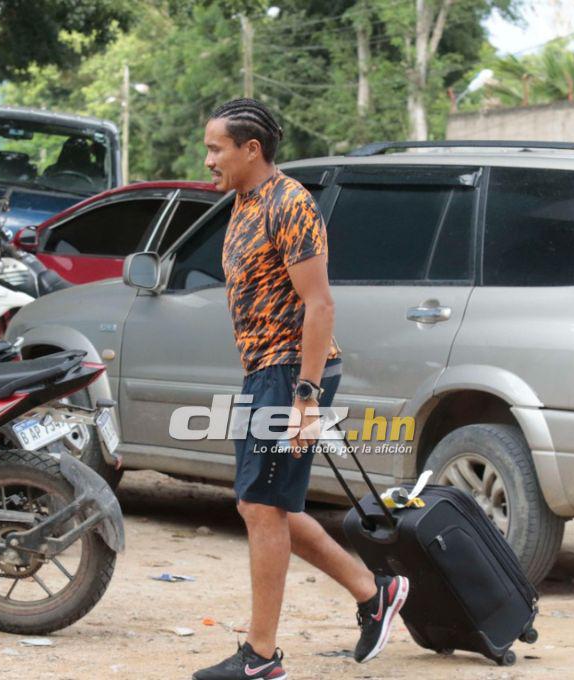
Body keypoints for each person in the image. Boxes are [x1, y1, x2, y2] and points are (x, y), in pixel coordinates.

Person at [192, 98, 409, 680]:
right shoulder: (242, 203)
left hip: (294, 373)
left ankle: (260, 658)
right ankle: (374, 592)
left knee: (262, 509)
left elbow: (320, 304)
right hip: (264, 370)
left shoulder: (291, 204)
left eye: (216, 148)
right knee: (267, 507)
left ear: (250, 149)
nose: (208, 158)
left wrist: (305, 398)